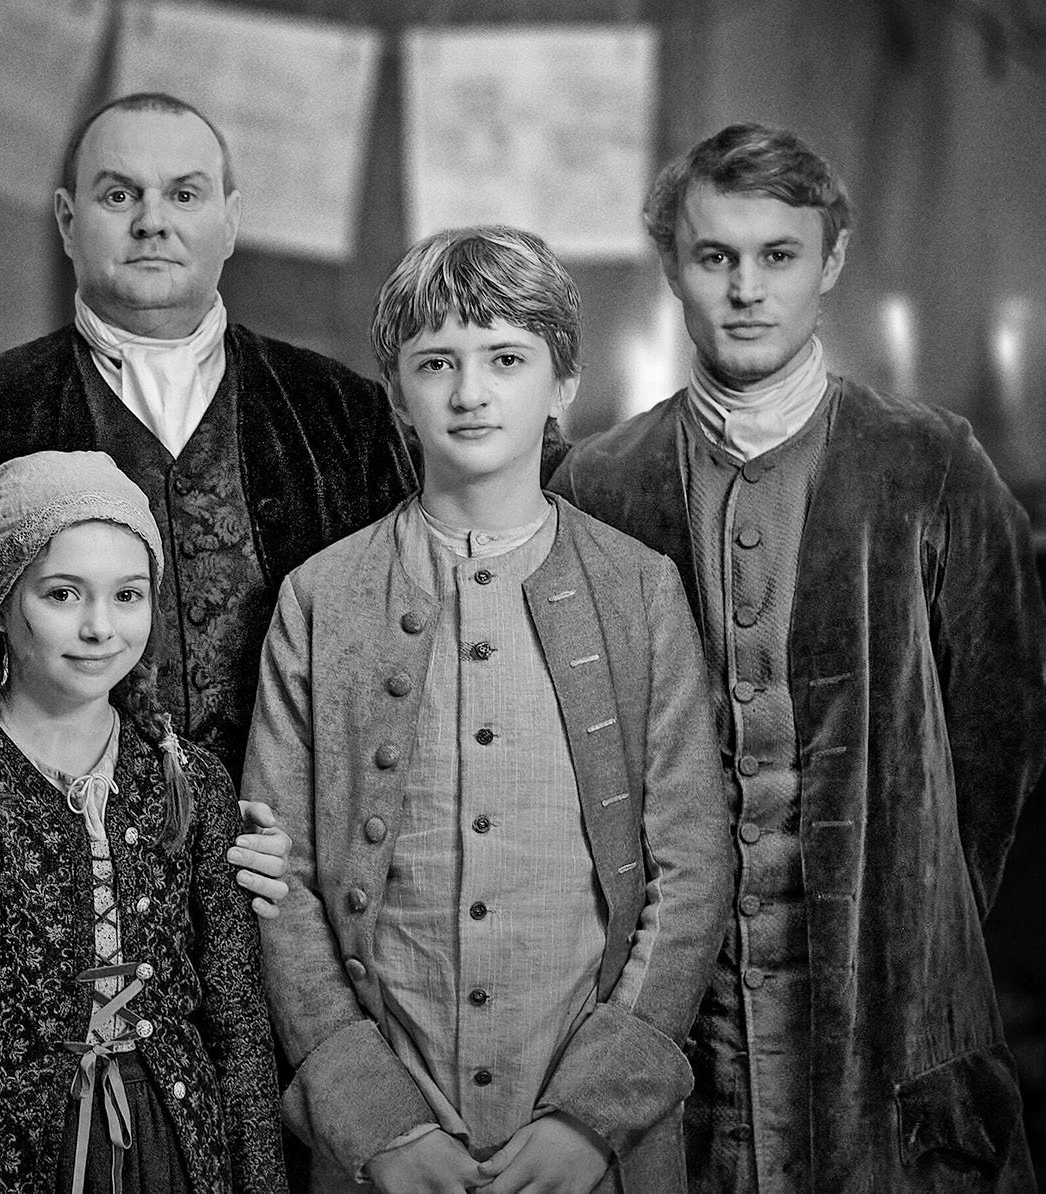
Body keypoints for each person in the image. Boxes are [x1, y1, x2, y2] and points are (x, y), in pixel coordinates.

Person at [549, 123, 1046, 1191]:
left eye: (777, 255)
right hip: (679, 1034)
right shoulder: (598, 484)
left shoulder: (930, 465)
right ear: (670, 265)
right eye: (714, 256)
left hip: (888, 1027)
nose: (745, 289)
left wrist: (915, 915)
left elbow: (1002, 726)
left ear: (829, 260)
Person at [246, 226, 734, 1193]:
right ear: (397, 392)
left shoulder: (639, 590)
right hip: (388, 1143)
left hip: (594, 1144)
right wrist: (376, 1123)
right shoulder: (320, 598)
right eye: (437, 363)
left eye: (506, 359)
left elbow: (691, 868)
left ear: (562, 384)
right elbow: (280, 880)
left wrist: (593, 1118)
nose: (470, 393)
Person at [0, 91, 415, 789]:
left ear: (229, 222)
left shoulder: (343, 413)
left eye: (183, 195)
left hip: (298, 834)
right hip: (54, 836)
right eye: (119, 196)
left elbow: (398, 657)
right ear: (67, 221)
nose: (152, 222)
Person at [0, 450, 286, 1193]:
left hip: (173, 1144)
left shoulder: (189, 779)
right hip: (7, 1155)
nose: (100, 628)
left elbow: (238, 1023)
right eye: (62, 595)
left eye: (128, 595)